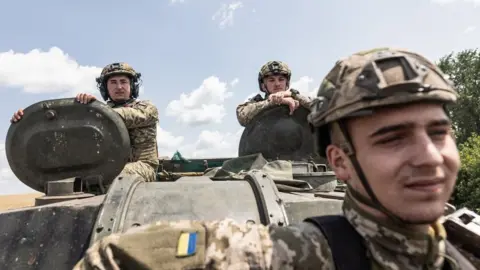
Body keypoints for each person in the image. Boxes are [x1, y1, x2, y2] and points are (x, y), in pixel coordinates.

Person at [72, 48, 477, 269]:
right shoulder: (302, 252)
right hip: (261, 160)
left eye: (439, 132)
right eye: (391, 139)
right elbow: (244, 117)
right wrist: (270, 103)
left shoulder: (465, 245)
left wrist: (294, 100)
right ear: (342, 160)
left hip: (303, 163)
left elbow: (318, 113)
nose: (428, 157)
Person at [11, 62, 160, 183]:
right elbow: (67, 126)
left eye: (124, 82)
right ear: (105, 87)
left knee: (112, 177)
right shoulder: (97, 114)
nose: (119, 87)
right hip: (107, 168)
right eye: (113, 82)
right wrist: (25, 120)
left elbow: (122, 116)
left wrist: (91, 110)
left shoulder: (146, 108)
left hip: (144, 166)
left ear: (132, 85)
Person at [236, 60, 313, 127]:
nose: (277, 84)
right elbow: (242, 116)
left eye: (281, 79)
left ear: (287, 83)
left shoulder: (298, 99)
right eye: (271, 80)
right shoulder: (258, 104)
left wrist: (293, 95)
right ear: (263, 86)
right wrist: (273, 101)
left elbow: (321, 109)